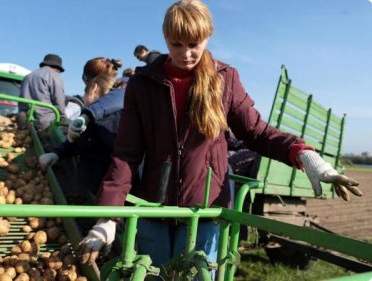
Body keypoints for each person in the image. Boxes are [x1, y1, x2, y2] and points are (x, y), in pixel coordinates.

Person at [77, 0, 363, 276]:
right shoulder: (143, 84)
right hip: (154, 209)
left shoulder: (224, 79)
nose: (186, 53)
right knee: (153, 275)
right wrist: (108, 218)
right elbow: (126, 153)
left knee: (199, 275)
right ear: (165, 38)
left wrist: (303, 154)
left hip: (205, 211)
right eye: (177, 44)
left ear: (207, 37)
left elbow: (257, 132)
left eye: (194, 44)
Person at [39, 74, 120, 195]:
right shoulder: (92, 118)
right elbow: (79, 141)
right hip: (96, 188)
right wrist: (57, 153)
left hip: (106, 192)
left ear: (93, 89)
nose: (84, 99)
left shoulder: (110, 120)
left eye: (85, 94)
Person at [18, 53, 67, 131]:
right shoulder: (54, 76)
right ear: (57, 68)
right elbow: (59, 99)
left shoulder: (27, 76)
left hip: (24, 121)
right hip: (44, 123)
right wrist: (63, 118)